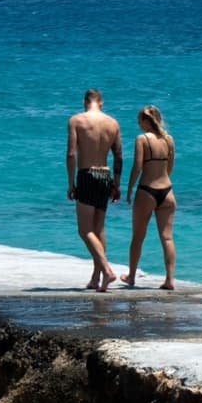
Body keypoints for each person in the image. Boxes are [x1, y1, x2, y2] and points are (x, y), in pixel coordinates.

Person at [66, 89, 122, 292]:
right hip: (105, 175)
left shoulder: (76, 120)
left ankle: (106, 271)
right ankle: (96, 278)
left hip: (87, 174)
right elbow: (118, 156)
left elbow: (71, 154)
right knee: (98, 229)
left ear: (85, 102)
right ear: (101, 102)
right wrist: (116, 184)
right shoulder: (113, 123)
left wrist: (71, 182)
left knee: (84, 230)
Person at [122, 105, 176, 290]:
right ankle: (170, 280)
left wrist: (129, 189)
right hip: (167, 191)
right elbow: (169, 167)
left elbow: (137, 167)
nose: (138, 124)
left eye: (139, 120)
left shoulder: (142, 139)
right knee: (167, 238)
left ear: (145, 121)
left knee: (137, 236)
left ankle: (131, 277)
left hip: (147, 190)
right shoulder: (169, 139)